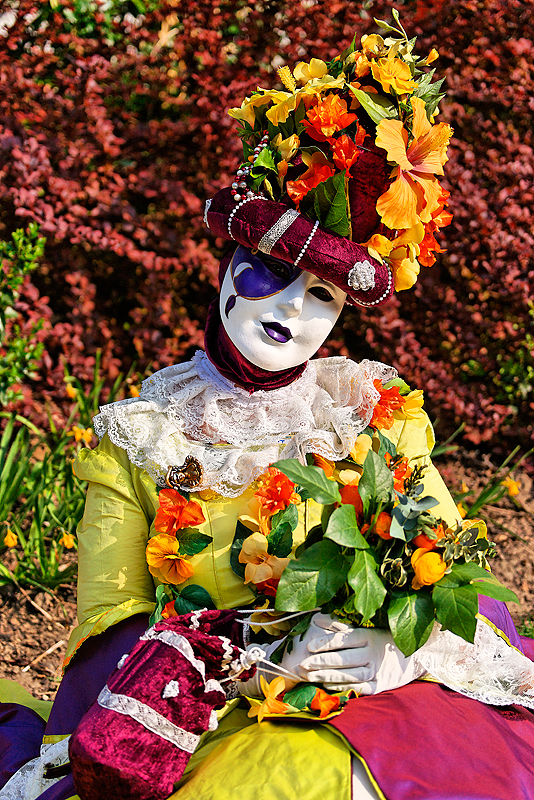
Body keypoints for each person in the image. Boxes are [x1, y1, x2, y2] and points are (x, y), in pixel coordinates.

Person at [2, 20, 534, 800]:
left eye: (320, 294)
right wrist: (253, 650)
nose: (289, 309)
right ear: (224, 268)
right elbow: (105, 632)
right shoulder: (139, 436)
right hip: (208, 719)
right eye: (268, 273)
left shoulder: (372, 414)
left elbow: (451, 572)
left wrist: (404, 648)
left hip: (379, 705)